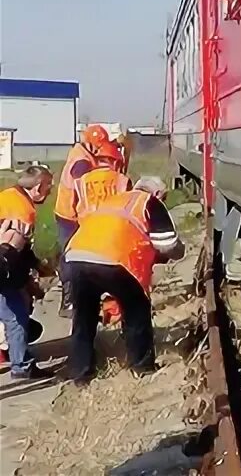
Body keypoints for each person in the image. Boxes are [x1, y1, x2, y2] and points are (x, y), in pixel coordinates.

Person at [64, 176, 185, 384]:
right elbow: (167, 245)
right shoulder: (149, 202)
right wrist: (179, 252)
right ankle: (142, 367)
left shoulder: (114, 200)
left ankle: (81, 373)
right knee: (136, 309)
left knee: (83, 317)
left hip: (75, 257)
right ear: (157, 194)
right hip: (115, 260)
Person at [0, 166, 55, 380]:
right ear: (39, 186)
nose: (50, 192)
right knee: (17, 318)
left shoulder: (7, 196)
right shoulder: (23, 211)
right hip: (4, 269)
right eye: (49, 186)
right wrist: (25, 284)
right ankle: (22, 366)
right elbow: (12, 253)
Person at [55, 124, 110, 317]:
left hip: (71, 212)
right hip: (70, 215)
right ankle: (69, 302)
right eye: (97, 145)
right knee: (71, 257)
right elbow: (85, 186)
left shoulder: (84, 153)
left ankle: (77, 296)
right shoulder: (81, 161)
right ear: (89, 142)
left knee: (75, 256)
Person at [72, 142, 131, 218]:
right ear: (115, 162)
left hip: (87, 224)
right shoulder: (123, 180)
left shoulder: (84, 179)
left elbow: (79, 205)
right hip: (111, 223)